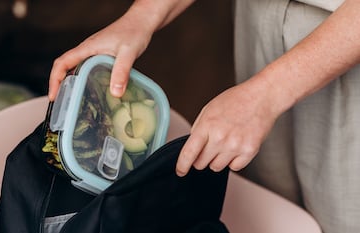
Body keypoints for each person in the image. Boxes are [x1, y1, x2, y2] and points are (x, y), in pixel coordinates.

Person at [48, 1, 360, 232]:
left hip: (344, 42)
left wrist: (266, 93)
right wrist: (140, 18)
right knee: (272, 207)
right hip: (262, 19)